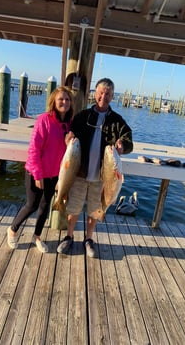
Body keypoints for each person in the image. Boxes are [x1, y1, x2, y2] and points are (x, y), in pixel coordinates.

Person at [57, 78, 133, 258]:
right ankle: (69, 236)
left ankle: (89, 239)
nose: (103, 97)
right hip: (80, 173)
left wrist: (124, 147)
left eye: (108, 94)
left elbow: (129, 141)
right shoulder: (83, 116)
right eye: (100, 92)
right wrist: (68, 139)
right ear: (95, 93)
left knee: (95, 209)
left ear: (113, 96)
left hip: (102, 177)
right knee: (73, 208)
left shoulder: (117, 120)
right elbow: (70, 133)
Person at [7, 86, 74, 252]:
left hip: (54, 174)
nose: (64, 102)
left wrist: (68, 144)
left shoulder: (69, 124)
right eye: (61, 99)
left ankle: (37, 237)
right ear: (54, 101)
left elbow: (69, 153)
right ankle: (12, 229)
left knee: (45, 207)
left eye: (67, 99)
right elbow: (34, 149)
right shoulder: (44, 120)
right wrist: (37, 175)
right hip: (36, 172)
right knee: (31, 205)